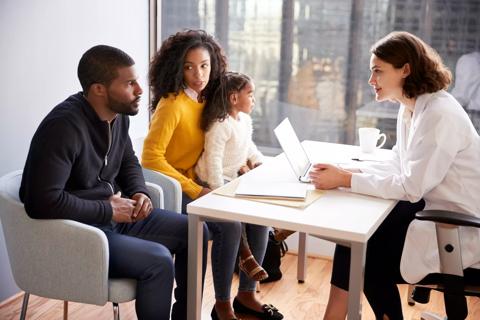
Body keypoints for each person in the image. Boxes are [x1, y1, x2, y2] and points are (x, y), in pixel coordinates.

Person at [19, 45, 208, 320]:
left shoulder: (117, 117)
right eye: (130, 83)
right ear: (99, 89)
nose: (140, 90)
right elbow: (40, 202)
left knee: (196, 231)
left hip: (114, 218)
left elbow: (128, 161)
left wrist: (139, 191)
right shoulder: (62, 128)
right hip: (80, 232)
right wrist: (107, 210)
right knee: (158, 260)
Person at [308, 31, 480, 319]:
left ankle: (343, 314)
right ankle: (340, 314)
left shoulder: (439, 113)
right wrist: (350, 171)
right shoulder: (411, 106)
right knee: (354, 238)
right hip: (431, 207)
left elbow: (411, 186)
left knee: (367, 257)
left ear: (405, 70)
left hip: (458, 227)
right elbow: (400, 163)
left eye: (378, 71)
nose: (370, 80)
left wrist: (345, 179)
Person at [142, 30, 283, 320]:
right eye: (189, 66)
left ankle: (247, 294)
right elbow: (150, 157)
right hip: (173, 189)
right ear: (176, 67)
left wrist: (246, 162)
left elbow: (225, 137)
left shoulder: (207, 101)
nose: (198, 74)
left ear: (213, 65)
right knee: (229, 226)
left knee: (257, 214)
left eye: (204, 65)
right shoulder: (171, 105)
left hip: (201, 182)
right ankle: (222, 305)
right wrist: (194, 189)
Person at [195, 71, 268, 282]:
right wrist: (219, 191)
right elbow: (213, 161)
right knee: (236, 213)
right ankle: (245, 255)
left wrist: (259, 161)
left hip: (233, 177)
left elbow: (248, 147)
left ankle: (276, 229)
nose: (254, 99)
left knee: (259, 202)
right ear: (234, 98)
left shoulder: (244, 120)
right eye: (250, 94)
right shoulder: (220, 125)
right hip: (213, 180)